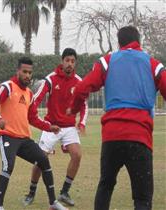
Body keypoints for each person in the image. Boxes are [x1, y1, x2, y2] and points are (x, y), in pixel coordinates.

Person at [68, 26, 166, 210]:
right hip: (140, 136)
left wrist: (73, 110)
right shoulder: (153, 64)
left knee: (105, 186)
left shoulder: (108, 61)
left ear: (119, 42)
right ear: (139, 42)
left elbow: (82, 89)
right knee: (142, 197)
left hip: (112, 136)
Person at [0, 57, 68, 210]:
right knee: (8, 166)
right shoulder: (7, 87)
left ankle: (53, 203)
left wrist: (49, 127)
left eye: (30, 73)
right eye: (24, 72)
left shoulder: (29, 94)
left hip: (24, 140)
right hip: (7, 136)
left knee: (44, 161)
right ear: (18, 71)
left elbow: (33, 118)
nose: (27, 75)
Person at [23, 48, 88, 207]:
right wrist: (36, 118)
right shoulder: (51, 79)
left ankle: (65, 192)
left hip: (69, 127)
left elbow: (84, 105)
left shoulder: (79, 81)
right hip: (52, 127)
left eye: (73, 61)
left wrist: (82, 123)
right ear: (62, 61)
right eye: (67, 61)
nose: (70, 64)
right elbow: (36, 100)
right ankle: (31, 192)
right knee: (40, 159)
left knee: (77, 155)